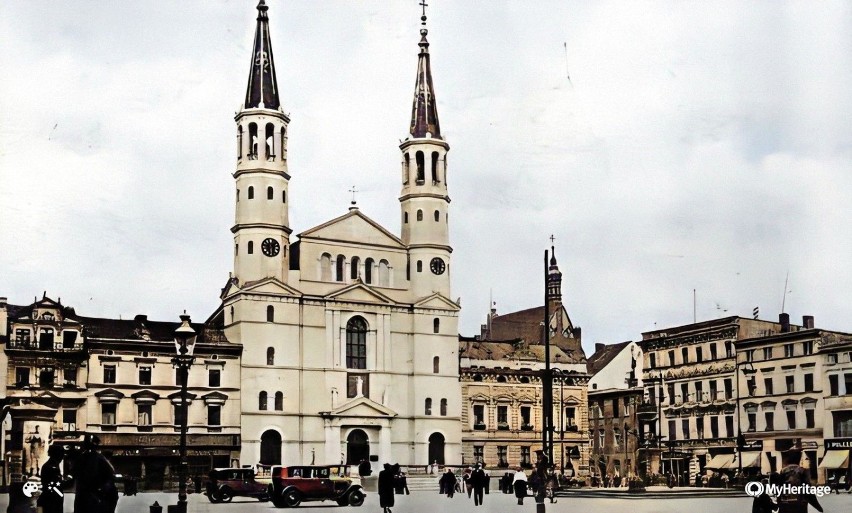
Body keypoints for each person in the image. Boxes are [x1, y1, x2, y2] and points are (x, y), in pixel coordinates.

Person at [73, 434, 118, 513]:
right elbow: (110, 474)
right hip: (94, 497)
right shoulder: (100, 459)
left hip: (85, 497)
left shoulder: (80, 458)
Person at [775, 443, 823, 513]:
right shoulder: (802, 471)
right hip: (799, 505)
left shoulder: (783, 471)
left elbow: (779, 489)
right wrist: (817, 506)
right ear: (798, 459)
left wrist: (779, 504)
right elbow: (808, 491)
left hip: (785, 504)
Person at [37, 444, 72, 513]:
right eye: (61, 454)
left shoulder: (48, 465)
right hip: (53, 500)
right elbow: (57, 485)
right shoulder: (53, 468)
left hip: (49, 498)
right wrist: (69, 479)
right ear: (57, 455)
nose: (62, 457)